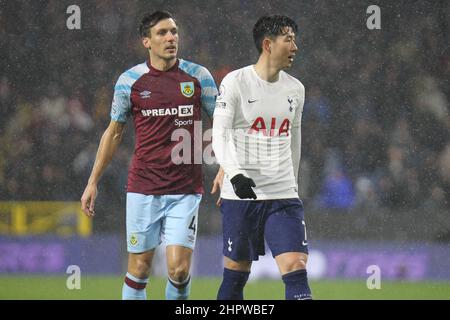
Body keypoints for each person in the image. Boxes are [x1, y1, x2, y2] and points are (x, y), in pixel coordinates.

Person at [80, 10, 217, 300]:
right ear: (146, 41)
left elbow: (223, 123)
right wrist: (93, 181)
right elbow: (113, 133)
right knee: (139, 269)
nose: (171, 38)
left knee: (179, 270)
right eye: (162, 33)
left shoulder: (198, 76)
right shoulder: (130, 81)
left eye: (174, 32)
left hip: (185, 189)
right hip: (143, 188)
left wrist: (228, 166)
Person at [211, 14, 312, 300]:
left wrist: (292, 183)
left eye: (295, 39)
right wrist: (235, 174)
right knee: (235, 275)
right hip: (241, 196)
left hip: (282, 195)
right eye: (288, 40)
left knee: (295, 266)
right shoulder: (235, 82)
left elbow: (294, 139)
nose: (295, 46)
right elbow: (219, 135)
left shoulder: (296, 89)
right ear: (268, 44)